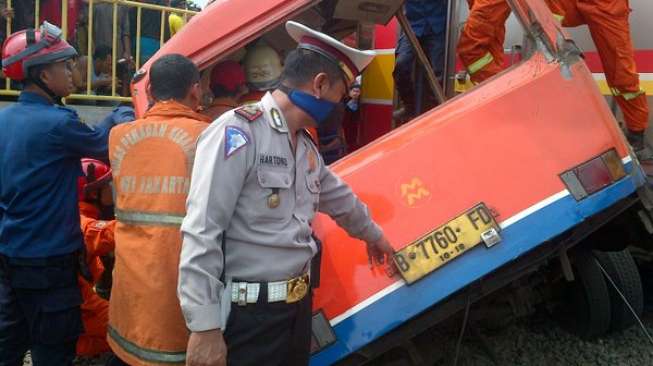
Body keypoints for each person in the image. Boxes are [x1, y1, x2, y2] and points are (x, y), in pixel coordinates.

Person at [179, 21, 394, 366]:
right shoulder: (237, 133)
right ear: (320, 85)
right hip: (251, 318)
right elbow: (202, 229)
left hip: (296, 310)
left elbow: (338, 197)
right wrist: (203, 328)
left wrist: (374, 235)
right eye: (342, 94)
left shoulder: (303, 144)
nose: (343, 104)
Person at [0, 22, 115, 366]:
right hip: (49, 264)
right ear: (43, 75)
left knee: (10, 344)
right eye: (64, 65)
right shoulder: (57, 123)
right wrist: (122, 113)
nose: (71, 71)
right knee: (54, 348)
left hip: (10, 256)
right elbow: (102, 143)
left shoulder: (5, 119)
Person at [106, 54, 210, 366]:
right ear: (195, 91)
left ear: (149, 91)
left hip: (129, 278)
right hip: (180, 283)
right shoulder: (208, 137)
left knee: (129, 343)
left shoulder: (117, 136)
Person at [457, 0, 650, 161]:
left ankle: (636, 133)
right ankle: (511, 110)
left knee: (621, 72)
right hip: (569, 7)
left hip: (603, 5)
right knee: (477, 47)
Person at [76, 158, 116, 359]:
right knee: (121, 329)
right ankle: (76, 348)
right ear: (93, 192)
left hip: (79, 296)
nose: (112, 187)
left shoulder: (80, 211)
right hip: (78, 300)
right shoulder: (79, 220)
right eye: (107, 183)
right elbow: (99, 234)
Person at [393, 0, 448, 122]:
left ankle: (435, 112)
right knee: (401, 65)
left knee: (438, 73)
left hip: (437, 26)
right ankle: (409, 106)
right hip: (412, 26)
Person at [93, 2, 132, 67]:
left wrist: (127, 51)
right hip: (101, 51)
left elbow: (125, 32)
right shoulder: (96, 4)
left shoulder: (122, 6)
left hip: (117, 51)